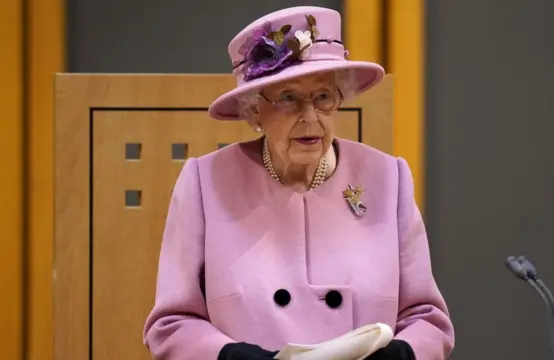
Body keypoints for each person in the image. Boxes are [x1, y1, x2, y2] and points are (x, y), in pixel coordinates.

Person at [143, 6, 454, 360]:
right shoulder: (205, 183)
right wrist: (230, 358)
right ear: (254, 110)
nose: (310, 117)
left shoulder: (388, 179)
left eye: (323, 97)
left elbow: (428, 321)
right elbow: (171, 324)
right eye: (289, 98)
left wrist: (404, 354)